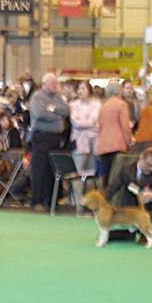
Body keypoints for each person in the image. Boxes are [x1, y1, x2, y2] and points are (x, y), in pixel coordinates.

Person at [28, 73, 70, 211]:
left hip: (55, 139)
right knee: (40, 170)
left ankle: (51, 200)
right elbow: (39, 114)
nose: (55, 86)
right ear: (44, 83)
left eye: (56, 83)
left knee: (53, 170)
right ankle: (37, 201)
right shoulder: (37, 97)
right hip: (41, 138)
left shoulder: (58, 98)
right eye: (52, 83)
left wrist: (54, 110)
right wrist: (57, 117)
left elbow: (66, 110)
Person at [106, 147, 152, 221]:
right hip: (127, 212)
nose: (151, 169)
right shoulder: (126, 170)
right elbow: (112, 188)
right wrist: (102, 202)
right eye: (148, 165)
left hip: (148, 213)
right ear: (141, 158)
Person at [69, 81, 101, 212]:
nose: (81, 91)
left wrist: (87, 122)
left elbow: (96, 120)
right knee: (77, 174)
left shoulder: (97, 104)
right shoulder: (72, 105)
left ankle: (91, 205)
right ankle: (78, 205)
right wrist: (90, 123)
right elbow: (76, 123)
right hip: (78, 143)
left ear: (89, 91)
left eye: (83, 88)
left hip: (94, 143)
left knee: (91, 174)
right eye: (79, 89)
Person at [96, 81, 132, 188]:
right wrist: (129, 142)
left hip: (103, 145)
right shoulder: (121, 105)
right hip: (117, 144)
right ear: (119, 90)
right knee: (116, 177)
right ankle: (114, 202)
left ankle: (105, 200)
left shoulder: (103, 106)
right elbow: (125, 126)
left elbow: (100, 126)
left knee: (106, 176)